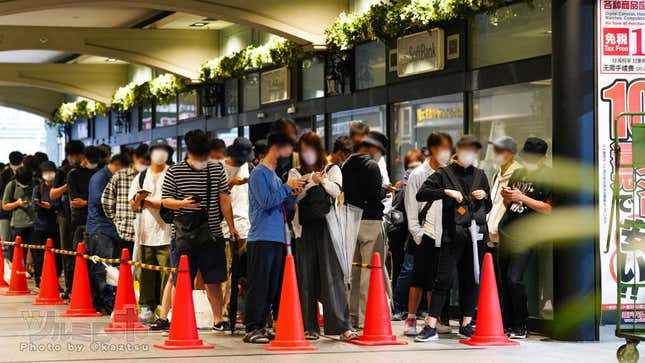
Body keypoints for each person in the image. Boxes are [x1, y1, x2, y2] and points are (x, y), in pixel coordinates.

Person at [416, 135, 492, 341]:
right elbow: (421, 194)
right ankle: (431, 324)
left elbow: (489, 207)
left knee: (471, 279)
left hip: (475, 235)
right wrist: (446, 192)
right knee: (443, 279)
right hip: (451, 235)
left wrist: (483, 196)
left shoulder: (480, 175)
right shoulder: (444, 173)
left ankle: (467, 323)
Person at [161, 129, 239, 332]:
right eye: (198, 156)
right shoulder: (174, 171)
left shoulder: (216, 169)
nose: (202, 159)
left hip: (212, 234)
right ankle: (178, 318)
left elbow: (224, 199)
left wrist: (231, 227)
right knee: (181, 280)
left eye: (205, 155)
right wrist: (182, 203)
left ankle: (218, 319)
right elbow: (165, 201)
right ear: (188, 151)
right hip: (182, 236)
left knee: (213, 280)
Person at [288, 131, 357, 341]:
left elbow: (336, 191)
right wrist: (310, 180)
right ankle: (310, 327)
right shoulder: (294, 171)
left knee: (332, 276)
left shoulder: (333, 168)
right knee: (306, 277)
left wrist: (321, 181)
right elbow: (293, 194)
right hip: (304, 228)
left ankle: (342, 326)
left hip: (328, 228)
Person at [243, 131, 305, 344]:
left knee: (272, 285)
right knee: (259, 284)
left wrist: (292, 194)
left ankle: (263, 324)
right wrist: (287, 187)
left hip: (278, 237)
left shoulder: (276, 176)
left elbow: (284, 207)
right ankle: (252, 327)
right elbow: (267, 201)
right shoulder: (259, 174)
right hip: (261, 237)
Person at [498, 137, 552, 339]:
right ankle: (507, 323)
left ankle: (521, 324)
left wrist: (523, 198)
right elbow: (508, 202)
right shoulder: (518, 173)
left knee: (515, 280)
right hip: (507, 228)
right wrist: (507, 196)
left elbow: (548, 208)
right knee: (504, 280)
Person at [403, 133, 454, 341]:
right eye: (444, 148)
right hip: (425, 232)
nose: (447, 153)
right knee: (418, 278)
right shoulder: (418, 174)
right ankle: (411, 318)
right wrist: (417, 233)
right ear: (433, 148)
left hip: (445, 233)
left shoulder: (450, 173)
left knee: (437, 279)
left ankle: (434, 319)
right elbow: (411, 206)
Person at [342, 131, 389, 328]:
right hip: (370, 222)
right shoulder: (372, 166)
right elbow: (374, 195)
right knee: (370, 271)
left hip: (351, 221)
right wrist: (385, 190)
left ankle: (352, 315)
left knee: (354, 271)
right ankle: (364, 317)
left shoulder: (346, 165)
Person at [129, 139, 173, 329]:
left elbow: (173, 201)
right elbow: (132, 204)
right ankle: (147, 306)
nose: (160, 154)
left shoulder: (173, 173)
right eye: (157, 150)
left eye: (164, 150)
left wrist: (151, 203)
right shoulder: (141, 176)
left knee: (168, 274)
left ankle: (166, 310)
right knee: (146, 272)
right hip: (145, 234)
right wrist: (140, 198)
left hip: (167, 233)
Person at [86, 153, 131, 314]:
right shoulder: (101, 177)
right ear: (118, 165)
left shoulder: (106, 176)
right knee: (102, 269)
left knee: (109, 269)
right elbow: (100, 201)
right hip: (100, 229)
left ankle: (107, 302)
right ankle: (102, 304)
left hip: (110, 230)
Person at [390, 148, 426, 320]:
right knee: (407, 270)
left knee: (418, 271)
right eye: (410, 167)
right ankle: (399, 307)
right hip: (407, 232)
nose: (413, 170)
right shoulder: (406, 183)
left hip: (420, 230)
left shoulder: (424, 179)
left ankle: (415, 308)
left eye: (417, 165)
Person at [220, 137, 253, 314]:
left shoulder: (248, 168)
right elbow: (217, 196)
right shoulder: (220, 167)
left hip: (246, 226)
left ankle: (234, 308)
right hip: (224, 228)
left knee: (242, 272)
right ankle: (220, 309)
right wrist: (231, 183)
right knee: (223, 271)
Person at [50, 140, 85, 299]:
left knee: (82, 251)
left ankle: (83, 286)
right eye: (73, 155)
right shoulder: (62, 171)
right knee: (67, 252)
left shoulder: (85, 169)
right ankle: (70, 287)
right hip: (65, 216)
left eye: (78, 154)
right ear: (68, 155)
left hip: (83, 216)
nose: (76, 158)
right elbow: (52, 194)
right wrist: (68, 185)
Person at [102, 144, 149, 258]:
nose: (145, 165)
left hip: (147, 235)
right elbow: (106, 200)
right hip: (125, 232)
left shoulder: (152, 176)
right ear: (134, 157)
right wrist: (116, 220)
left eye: (148, 163)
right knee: (124, 270)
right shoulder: (120, 175)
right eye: (143, 161)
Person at [487, 136, 522, 247]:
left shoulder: (519, 174)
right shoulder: (496, 175)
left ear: (511, 153)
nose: (495, 153)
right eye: (495, 150)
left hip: (506, 238)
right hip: (490, 237)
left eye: (500, 150)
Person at [31, 161, 61, 287]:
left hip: (56, 226)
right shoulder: (38, 188)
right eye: (46, 172)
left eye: (51, 171)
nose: (49, 174)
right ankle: (39, 279)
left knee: (57, 257)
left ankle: (54, 280)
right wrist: (47, 207)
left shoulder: (58, 188)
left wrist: (51, 207)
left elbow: (61, 205)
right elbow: (35, 206)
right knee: (39, 256)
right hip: (40, 227)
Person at [67, 145, 102, 251]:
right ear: (84, 157)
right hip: (80, 219)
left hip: (98, 219)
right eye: (91, 160)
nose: (93, 163)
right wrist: (93, 199)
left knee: (97, 252)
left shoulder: (100, 173)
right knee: (79, 251)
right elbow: (75, 199)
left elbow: (103, 196)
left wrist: (86, 202)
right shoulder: (73, 174)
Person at [2, 166, 35, 261]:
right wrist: (17, 203)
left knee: (33, 251)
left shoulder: (34, 183)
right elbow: (5, 206)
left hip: (33, 223)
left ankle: (29, 270)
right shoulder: (11, 185)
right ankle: (15, 271)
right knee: (16, 252)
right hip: (17, 225)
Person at [0, 151, 24, 245]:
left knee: (16, 239)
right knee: (5, 239)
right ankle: (6, 258)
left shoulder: (23, 172)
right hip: (6, 211)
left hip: (19, 210)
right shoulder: (5, 174)